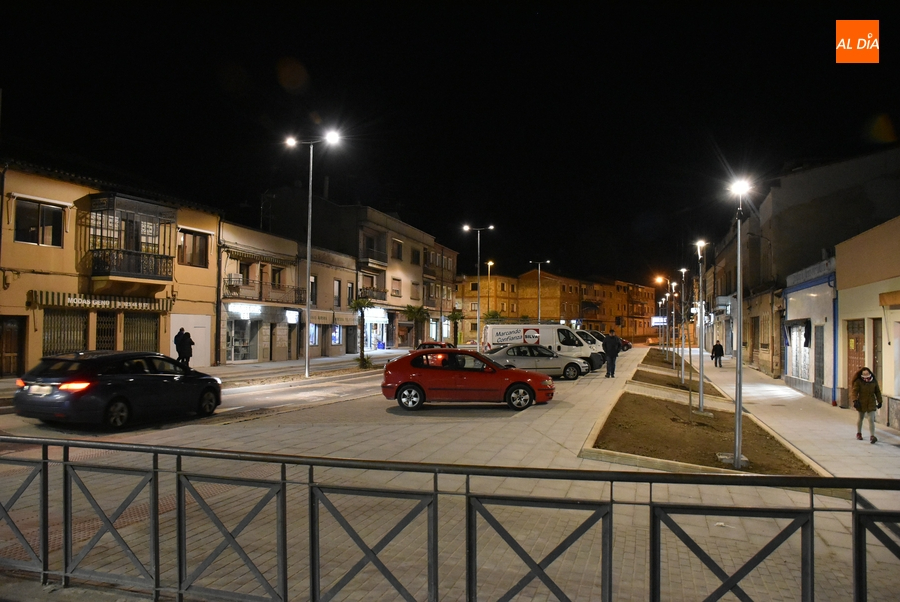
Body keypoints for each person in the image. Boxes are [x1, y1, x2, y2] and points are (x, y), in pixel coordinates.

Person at [851, 366, 882, 443]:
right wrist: (855, 400)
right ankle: (859, 433)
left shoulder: (873, 381)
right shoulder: (858, 381)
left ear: (870, 373)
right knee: (860, 418)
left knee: (871, 419)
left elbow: (877, 391)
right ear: (861, 374)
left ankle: (872, 436)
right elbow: (854, 391)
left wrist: (880, 401)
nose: (866, 375)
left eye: (867, 373)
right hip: (861, 402)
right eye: (864, 374)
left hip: (871, 402)